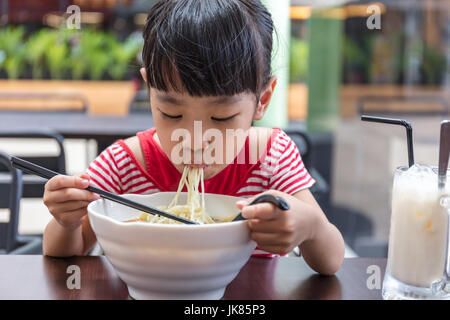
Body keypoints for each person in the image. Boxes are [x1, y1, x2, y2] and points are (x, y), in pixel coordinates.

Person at [42, 0, 345, 275]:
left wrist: (311, 228)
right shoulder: (125, 164)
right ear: (149, 91)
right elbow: (68, 250)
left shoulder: (271, 157)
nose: (195, 140)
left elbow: (331, 261)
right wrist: (65, 221)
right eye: (171, 114)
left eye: (221, 117)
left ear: (262, 99)